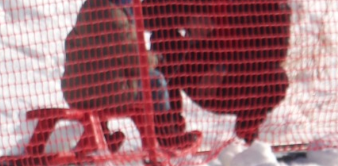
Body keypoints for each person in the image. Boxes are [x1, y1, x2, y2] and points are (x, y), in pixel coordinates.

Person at [144, 0, 291, 145]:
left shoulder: (271, 6)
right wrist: (190, 19)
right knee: (164, 38)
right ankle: (170, 129)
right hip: (198, 76)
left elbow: (276, 55)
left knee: (277, 79)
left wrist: (223, 66)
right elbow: (144, 16)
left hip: (242, 83)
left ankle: (248, 129)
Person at [61, 0, 200, 151]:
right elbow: (134, 59)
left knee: (102, 76)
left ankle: (102, 136)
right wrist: (156, 59)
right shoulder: (115, 15)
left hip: (75, 91)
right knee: (156, 80)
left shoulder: (90, 8)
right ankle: (168, 135)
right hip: (107, 92)